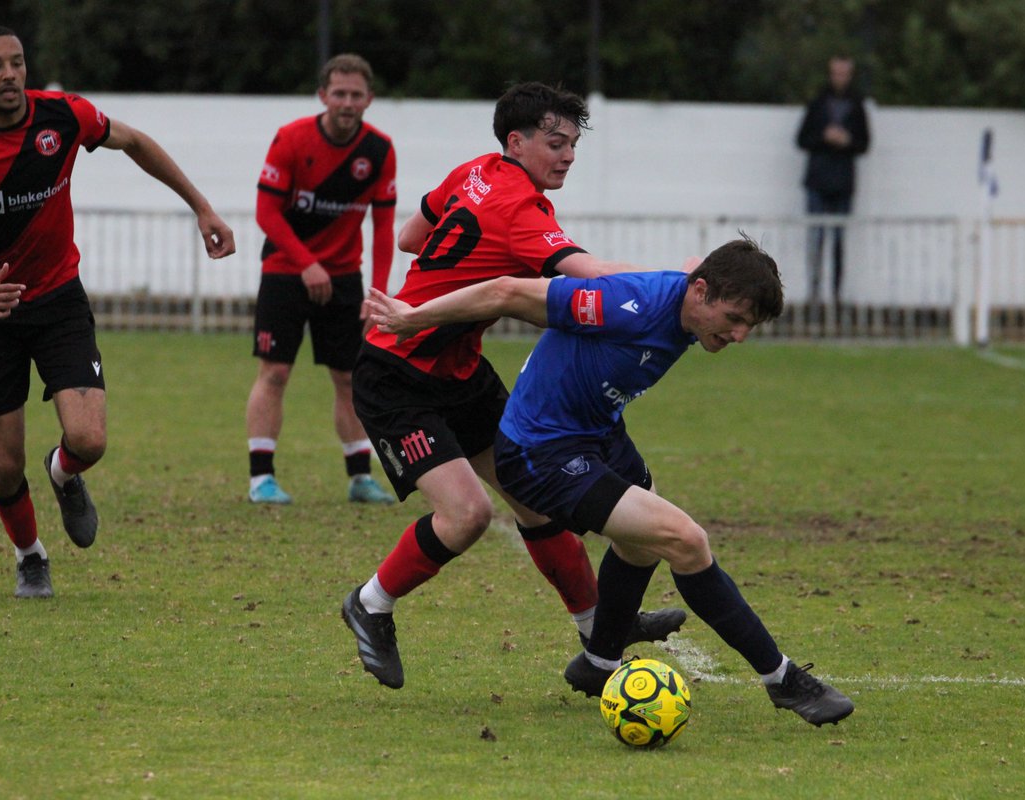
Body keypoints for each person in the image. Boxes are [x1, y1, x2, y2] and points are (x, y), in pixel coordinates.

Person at [365, 237, 855, 727]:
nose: (740, 335)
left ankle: (598, 664)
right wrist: (413, 318)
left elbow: (689, 265)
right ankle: (783, 680)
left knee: (640, 546)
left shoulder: (694, 299)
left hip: (598, 433)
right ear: (701, 292)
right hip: (541, 451)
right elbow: (505, 292)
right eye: (735, 320)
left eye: (749, 325)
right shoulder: (626, 307)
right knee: (685, 540)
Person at [339, 82, 685, 690]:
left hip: (462, 373)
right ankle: (370, 603)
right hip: (396, 375)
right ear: (517, 141)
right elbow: (593, 277)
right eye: (556, 142)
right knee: (467, 514)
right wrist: (682, 278)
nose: (568, 155)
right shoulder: (521, 211)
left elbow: (411, 237)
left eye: (574, 144)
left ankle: (598, 630)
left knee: (537, 499)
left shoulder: (474, 170)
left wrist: (456, 276)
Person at [0, 26, 235, 599]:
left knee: (89, 439)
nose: (11, 75)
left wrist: (202, 208)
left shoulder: (64, 116)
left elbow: (136, 142)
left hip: (58, 299)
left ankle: (63, 472)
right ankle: (30, 556)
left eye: (17, 63)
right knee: (3, 466)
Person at [245, 53, 396, 506]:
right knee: (274, 372)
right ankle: (260, 479)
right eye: (339, 93)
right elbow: (266, 212)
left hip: (346, 279)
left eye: (355, 95)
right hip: (285, 273)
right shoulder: (292, 140)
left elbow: (384, 228)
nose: (347, 103)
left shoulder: (380, 150)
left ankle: (359, 478)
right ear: (322, 95)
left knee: (350, 377)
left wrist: (378, 294)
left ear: (368, 98)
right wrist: (307, 262)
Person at [796, 55, 870, 307]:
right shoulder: (817, 103)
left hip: (843, 183)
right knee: (816, 239)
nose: (840, 78)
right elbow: (802, 139)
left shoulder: (857, 105)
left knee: (839, 242)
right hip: (817, 181)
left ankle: (836, 295)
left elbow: (864, 143)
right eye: (836, 73)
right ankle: (814, 293)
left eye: (844, 73)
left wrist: (846, 141)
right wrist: (823, 137)